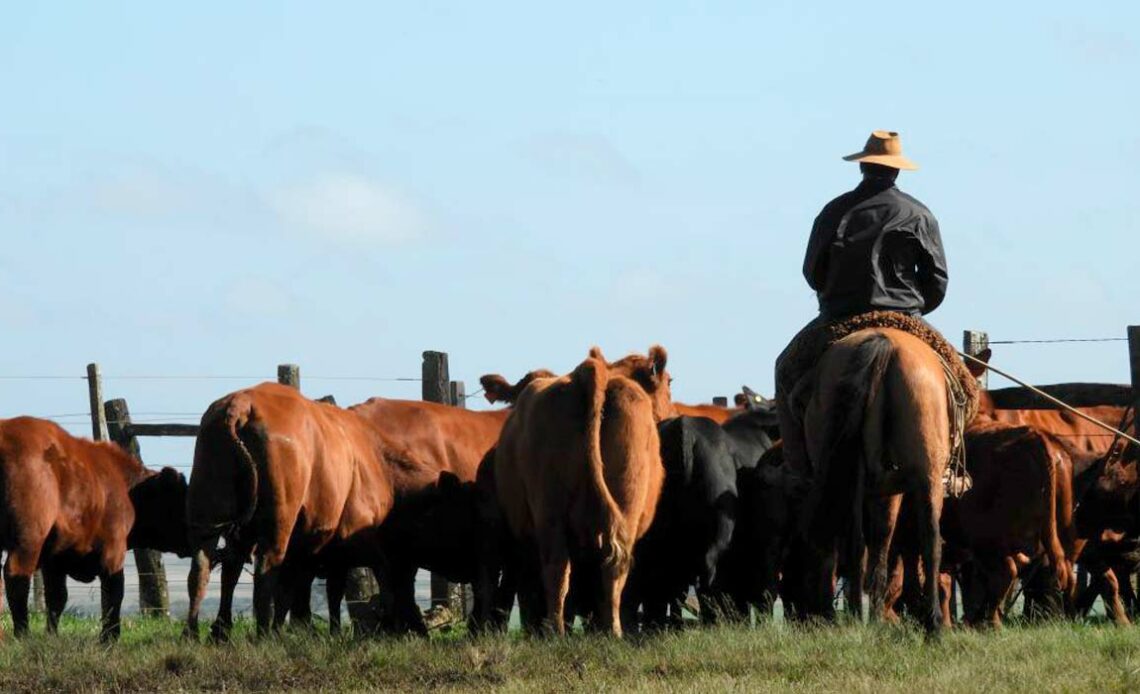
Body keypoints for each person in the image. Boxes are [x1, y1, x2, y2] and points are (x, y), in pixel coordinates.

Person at [775, 130, 948, 479]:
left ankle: (798, 472)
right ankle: (948, 463)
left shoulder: (835, 210)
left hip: (841, 317)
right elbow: (938, 280)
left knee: (785, 371)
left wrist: (835, 296)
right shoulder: (920, 213)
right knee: (961, 387)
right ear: (897, 171)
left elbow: (812, 271)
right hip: (905, 318)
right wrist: (913, 311)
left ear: (863, 167)